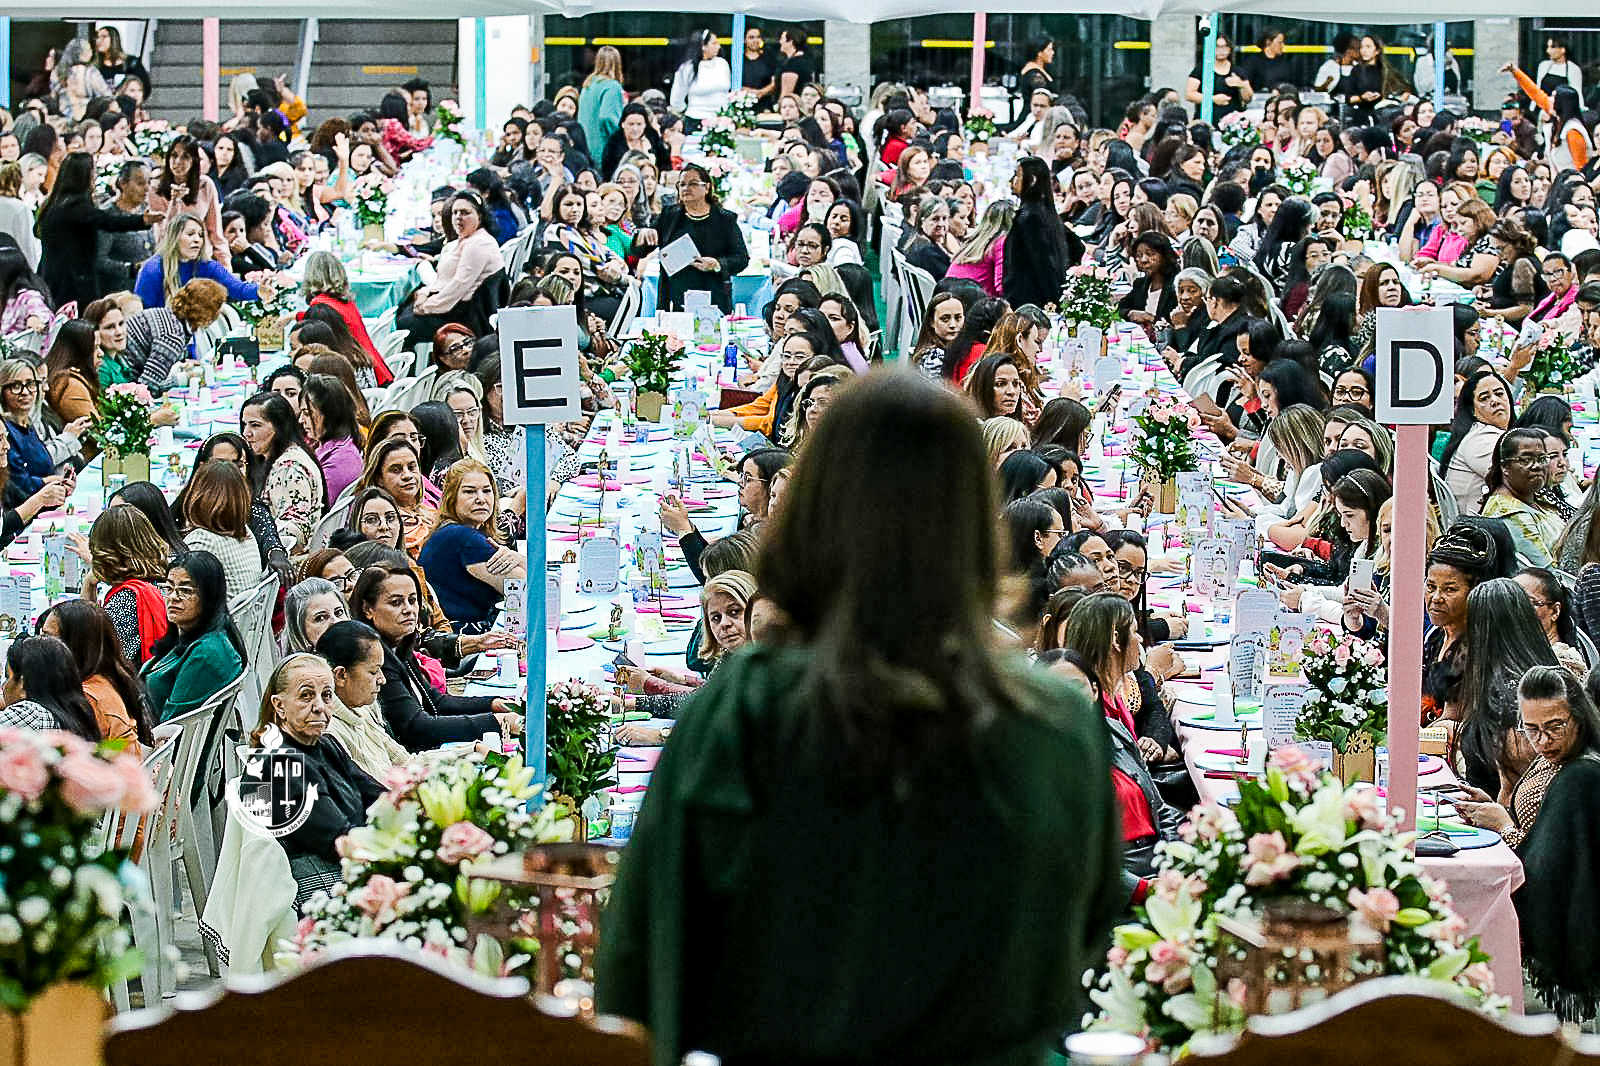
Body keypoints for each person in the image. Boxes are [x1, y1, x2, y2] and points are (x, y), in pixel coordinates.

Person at [595, 372, 1123, 1064]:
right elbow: (1077, 951)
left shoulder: (750, 705)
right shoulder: (1055, 724)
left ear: (811, 510)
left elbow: (643, 962)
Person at [250, 652, 383, 906]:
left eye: (327, 695)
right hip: (319, 890)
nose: (319, 706)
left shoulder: (325, 744)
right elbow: (339, 840)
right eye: (306, 696)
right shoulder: (281, 764)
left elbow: (377, 795)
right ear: (279, 705)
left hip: (346, 864)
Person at [349, 562, 520, 751]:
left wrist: (494, 704)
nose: (408, 609)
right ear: (367, 609)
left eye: (412, 600)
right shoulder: (374, 659)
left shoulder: (397, 644)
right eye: (395, 602)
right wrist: (497, 722)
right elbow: (417, 727)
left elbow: (436, 701)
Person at [33, 151, 153, 310]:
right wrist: (142, 221)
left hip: (51, 278)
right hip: (73, 285)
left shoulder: (53, 205)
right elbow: (110, 221)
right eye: (92, 173)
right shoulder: (77, 209)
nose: (95, 177)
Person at [418, 459, 526, 631]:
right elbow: (528, 590)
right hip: (464, 641)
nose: (481, 499)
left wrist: (517, 559)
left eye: (487, 491)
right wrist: (523, 561)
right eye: (469, 492)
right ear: (452, 498)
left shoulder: (453, 531)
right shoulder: (462, 538)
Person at [141, 551, 248, 723]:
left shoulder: (206, 654)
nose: (173, 598)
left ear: (209, 596)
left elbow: (172, 725)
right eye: (169, 588)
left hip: (152, 744)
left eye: (185, 590)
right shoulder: (190, 636)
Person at [38, 599, 153, 753]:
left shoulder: (87, 698)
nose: (39, 643)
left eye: (48, 637)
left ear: (75, 646)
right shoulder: (108, 679)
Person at [395, 192, 504, 345]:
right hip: (457, 306)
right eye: (455, 213)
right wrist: (426, 294)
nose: (459, 218)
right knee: (404, 309)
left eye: (465, 213)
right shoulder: (467, 240)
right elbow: (445, 281)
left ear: (479, 216)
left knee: (403, 325)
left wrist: (427, 307)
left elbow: (457, 287)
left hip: (466, 317)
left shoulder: (478, 245)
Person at [315, 619, 409, 782]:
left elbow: (408, 762)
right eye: (373, 672)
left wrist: (467, 749)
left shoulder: (360, 710)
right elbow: (375, 795)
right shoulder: (329, 736)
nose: (382, 679)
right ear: (340, 675)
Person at [239, 391, 324, 552]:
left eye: (255, 425)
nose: (246, 433)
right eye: (245, 425)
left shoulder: (288, 470)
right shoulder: (287, 454)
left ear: (279, 427)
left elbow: (294, 533)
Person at [133, 212, 266, 310]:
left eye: (201, 235)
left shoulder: (207, 266)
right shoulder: (152, 269)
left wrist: (261, 291)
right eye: (190, 234)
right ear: (174, 238)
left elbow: (238, 289)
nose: (197, 240)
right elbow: (143, 314)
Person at [176, 459, 264, 602]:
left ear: (197, 495)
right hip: (245, 620)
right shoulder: (245, 532)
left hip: (220, 622)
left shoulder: (202, 540)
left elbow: (182, 596)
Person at [124, 277, 228, 389]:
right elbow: (148, 387)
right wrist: (184, 379)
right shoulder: (173, 337)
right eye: (216, 310)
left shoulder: (166, 315)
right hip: (123, 380)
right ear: (206, 313)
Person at [1440, 369, 1515, 515]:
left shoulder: (1482, 433)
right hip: (1479, 530)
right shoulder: (1481, 439)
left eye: (1499, 394)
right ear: (1472, 411)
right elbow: (1522, 480)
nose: (1494, 401)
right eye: (1484, 398)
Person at [0, 636, 101, 740]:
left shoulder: (32, 712)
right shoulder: (75, 710)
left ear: (22, 683)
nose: (4, 686)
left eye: (8, 677)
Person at [300, 374, 365, 505]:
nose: (300, 420)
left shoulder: (341, 461)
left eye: (307, 413)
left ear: (330, 414)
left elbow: (318, 510)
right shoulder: (326, 445)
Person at [578, 46, 626, 167]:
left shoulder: (587, 85)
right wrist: (620, 139)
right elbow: (607, 117)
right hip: (603, 148)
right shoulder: (612, 87)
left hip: (585, 147)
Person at [669, 30, 732, 122]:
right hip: (696, 119)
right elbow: (676, 99)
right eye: (714, 43)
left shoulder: (723, 64)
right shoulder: (687, 68)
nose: (718, 47)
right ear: (703, 46)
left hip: (722, 120)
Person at [1186, 35, 1252, 120]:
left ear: (1229, 49)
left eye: (1224, 47)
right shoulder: (1202, 69)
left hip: (1232, 122)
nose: (1221, 50)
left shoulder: (1238, 71)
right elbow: (1189, 94)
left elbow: (1248, 99)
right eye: (1217, 47)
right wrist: (1213, 99)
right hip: (1207, 119)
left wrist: (1241, 85)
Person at [284, 576, 349, 655]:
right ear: (299, 631)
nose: (336, 622)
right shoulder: (298, 666)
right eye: (320, 618)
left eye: (338, 612)